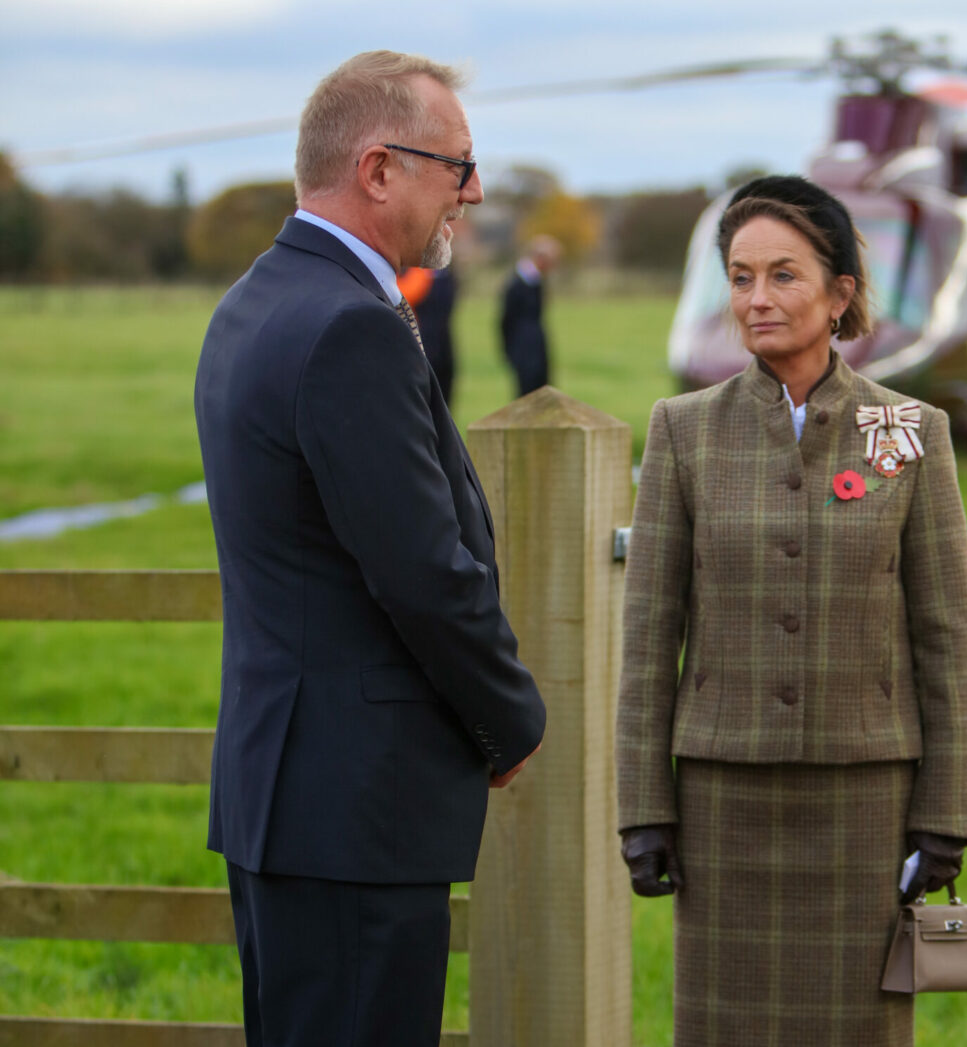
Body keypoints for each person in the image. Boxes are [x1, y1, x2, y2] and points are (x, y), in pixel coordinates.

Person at [194, 51, 546, 1046]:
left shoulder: (254, 303)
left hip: (284, 791)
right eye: (457, 164)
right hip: (354, 804)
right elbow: (423, 572)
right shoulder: (351, 324)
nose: (471, 191)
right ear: (379, 169)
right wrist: (509, 719)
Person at [615, 175, 967, 1047]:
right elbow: (647, 637)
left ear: (841, 292)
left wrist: (947, 813)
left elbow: (947, 636)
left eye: (783, 275)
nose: (756, 299)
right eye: (740, 277)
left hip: (865, 807)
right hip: (720, 805)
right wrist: (644, 809)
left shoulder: (910, 430)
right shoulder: (682, 429)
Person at [498, 234, 561, 397]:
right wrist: (510, 351)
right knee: (526, 397)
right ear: (540, 258)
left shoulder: (537, 281)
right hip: (522, 349)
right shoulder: (516, 284)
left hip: (537, 347)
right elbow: (505, 320)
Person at [400, 262, 459, 406]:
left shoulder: (443, 275)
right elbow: (408, 295)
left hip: (442, 347)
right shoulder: (416, 275)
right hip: (419, 346)